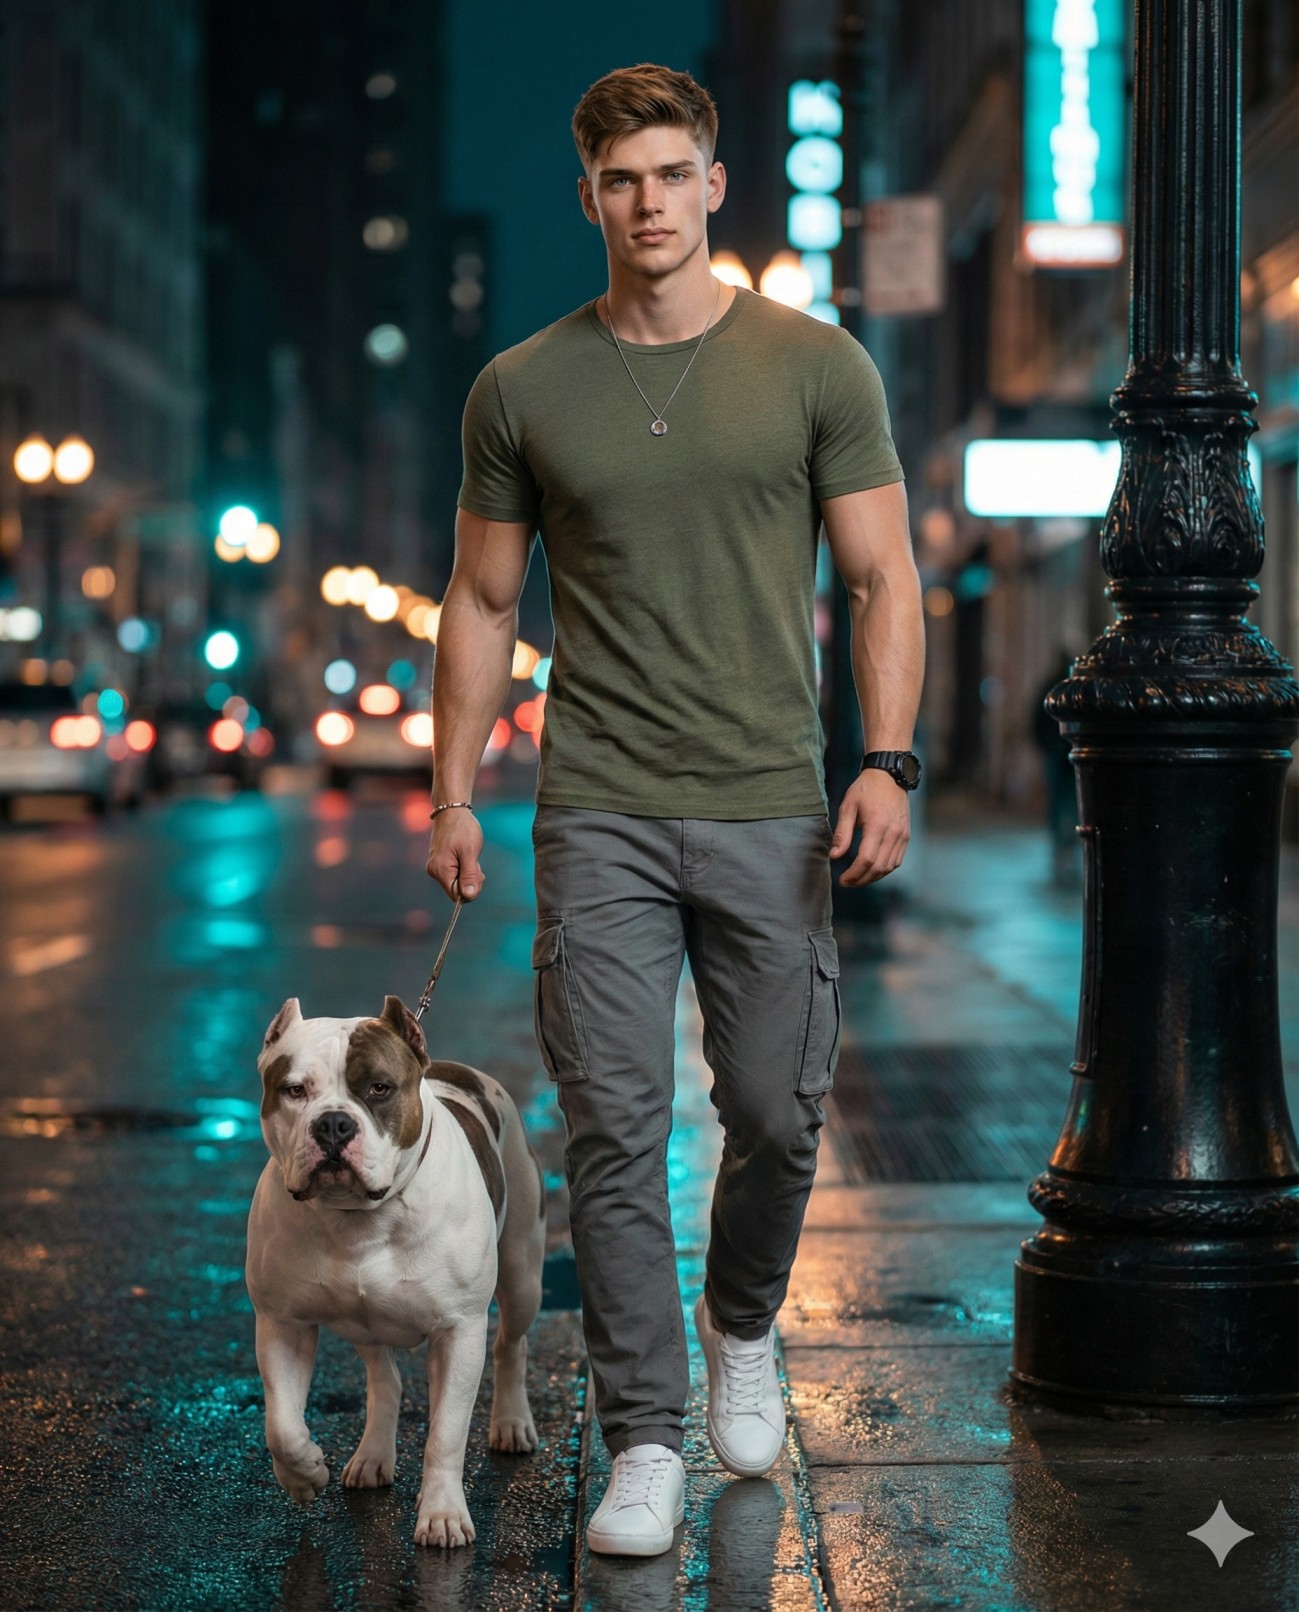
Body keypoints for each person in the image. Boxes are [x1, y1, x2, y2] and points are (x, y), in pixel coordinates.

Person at [426, 62, 924, 1558]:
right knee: (611, 1134)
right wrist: (451, 788)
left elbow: (884, 576)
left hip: (776, 800)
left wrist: (886, 760)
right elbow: (481, 596)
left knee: (775, 1112)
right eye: (618, 180)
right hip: (601, 809)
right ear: (589, 197)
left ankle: (745, 1325)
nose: (646, 202)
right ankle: (645, 1437)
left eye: (671, 173)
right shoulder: (522, 385)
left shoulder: (818, 366)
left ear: (715, 184)